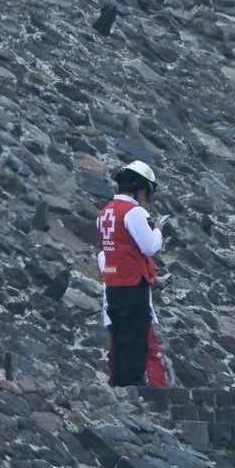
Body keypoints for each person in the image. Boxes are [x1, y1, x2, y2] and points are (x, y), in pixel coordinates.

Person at [96, 160, 167, 387]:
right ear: (139, 188)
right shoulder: (133, 212)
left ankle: (120, 385)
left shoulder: (104, 212)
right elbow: (149, 247)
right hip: (133, 284)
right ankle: (135, 386)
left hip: (113, 285)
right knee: (136, 339)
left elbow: (109, 254)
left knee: (119, 340)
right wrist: (157, 230)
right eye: (146, 191)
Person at [98, 251, 170, 387]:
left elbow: (109, 272)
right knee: (151, 353)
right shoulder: (136, 255)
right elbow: (134, 274)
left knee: (118, 350)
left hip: (114, 310)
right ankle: (158, 388)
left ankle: (118, 387)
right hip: (135, 311)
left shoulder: (104, 255)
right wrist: (153, 280)